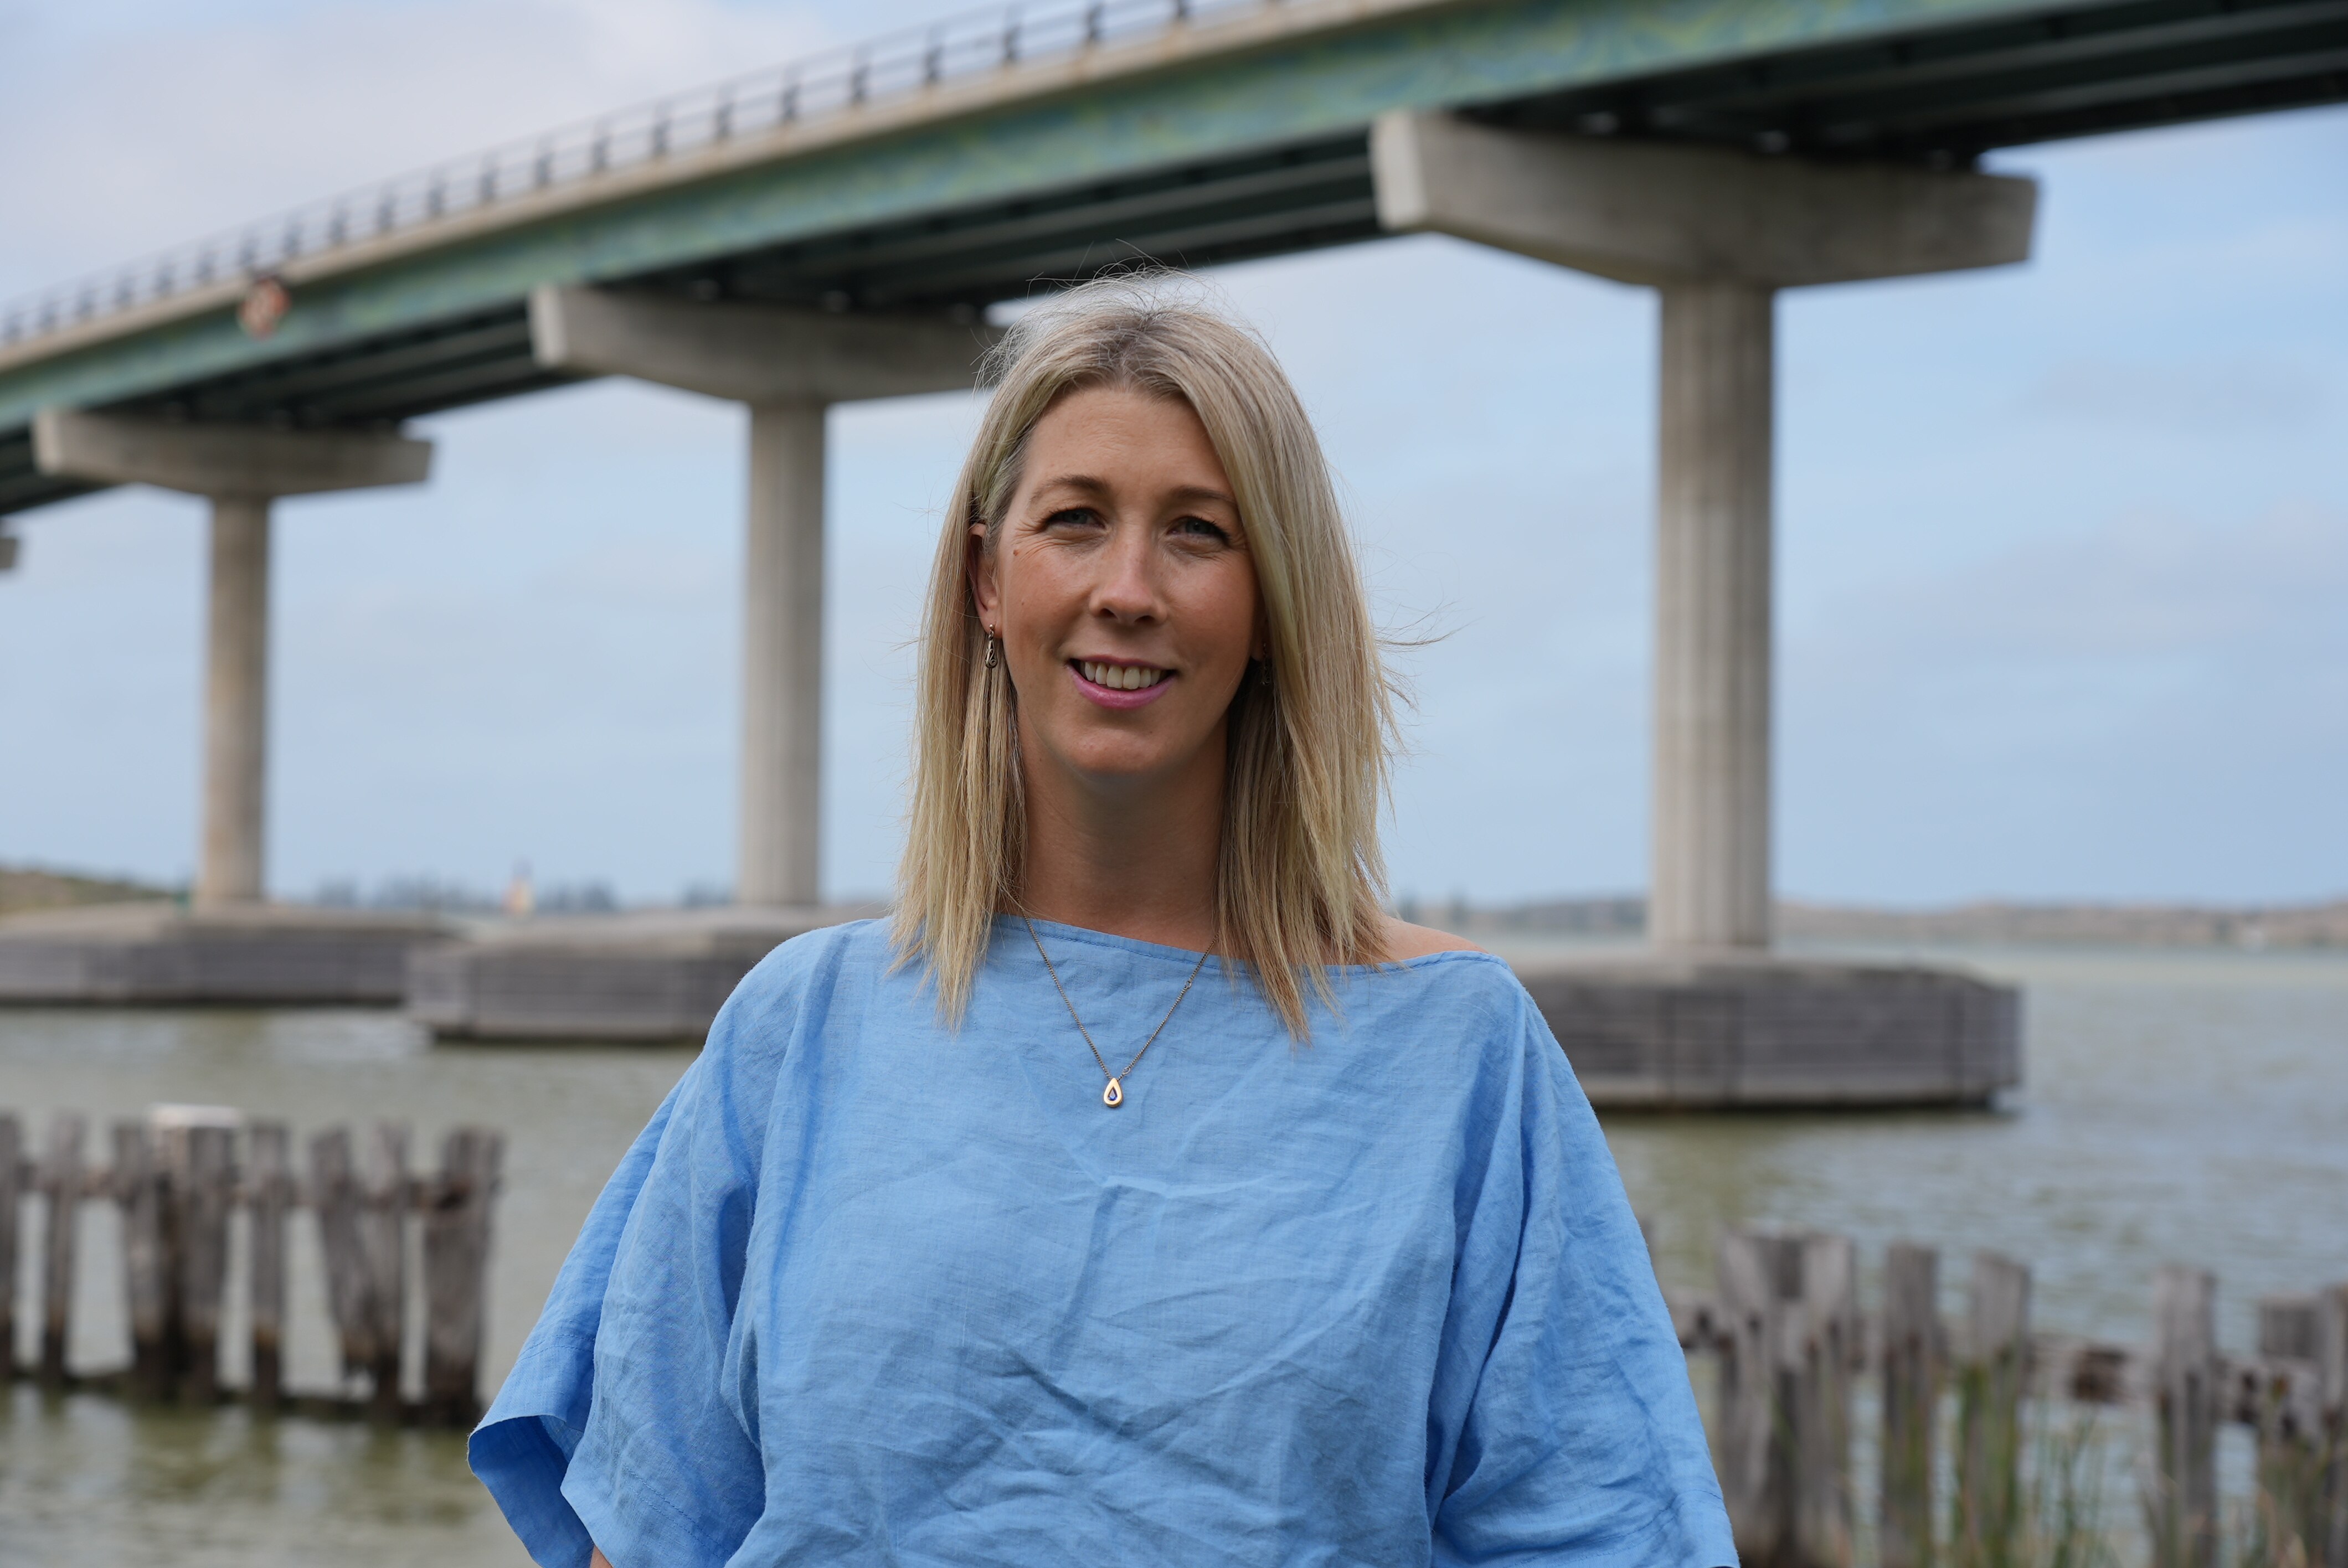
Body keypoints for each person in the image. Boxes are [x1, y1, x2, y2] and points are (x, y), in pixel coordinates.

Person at [469, 276, 1735, 1567]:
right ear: (985, 581)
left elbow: (1598, 1535)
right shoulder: (799, 1033)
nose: (1127, 587)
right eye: (1074, 521)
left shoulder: (1462, 1055)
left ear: (1270, 606)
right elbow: (647, 1525)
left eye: (1197, 532)